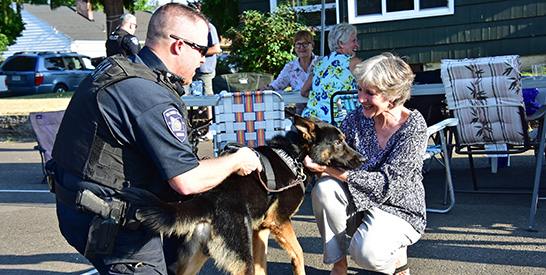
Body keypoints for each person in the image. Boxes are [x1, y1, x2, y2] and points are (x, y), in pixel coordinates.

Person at [49, 3, 262, 275]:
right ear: (179, 46)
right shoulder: (149, 96)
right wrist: (237, 160)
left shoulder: (120, 68)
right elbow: (187, 181)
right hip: (113, 225)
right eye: (201, 50)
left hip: (79, 206)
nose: (203, 60)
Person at [303, 53, 428, 275]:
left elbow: (390, 185)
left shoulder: (414, 127)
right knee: (324, 188)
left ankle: (398, 261)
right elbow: (334, 156)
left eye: (369, 93)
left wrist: (333, 172)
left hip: (398, 208)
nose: (360, 98)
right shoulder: (355, 119)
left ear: (392, 96)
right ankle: (339, 265)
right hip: (360, 201)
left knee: (366, 255)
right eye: (360, 89)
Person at [300, 23, 360, 124]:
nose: (357, 45)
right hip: (335, 125)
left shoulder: (321, 63)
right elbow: (370, 89)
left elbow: (304, 91)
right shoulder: (353, 62)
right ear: (341, 43)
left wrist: (323, 96)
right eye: (353, 41)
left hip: (311, 122)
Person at [260, 29, 320, 114]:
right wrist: (268, 89)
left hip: (321, 112)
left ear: (312, 46)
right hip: (301, 116)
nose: (301, 47)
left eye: (305, 43)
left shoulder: (322, 63)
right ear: (295, 48)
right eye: (298, 44)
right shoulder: (290, 67)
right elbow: (277, 85)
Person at [188, 2, 222, 141]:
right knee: (194, 98)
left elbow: (217, 48)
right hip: (193, 69)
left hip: (205, 70)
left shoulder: (209, 27)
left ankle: (210, 130)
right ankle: (195, 128)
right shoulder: (191, 28)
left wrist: (199, 51)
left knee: (208, 99)